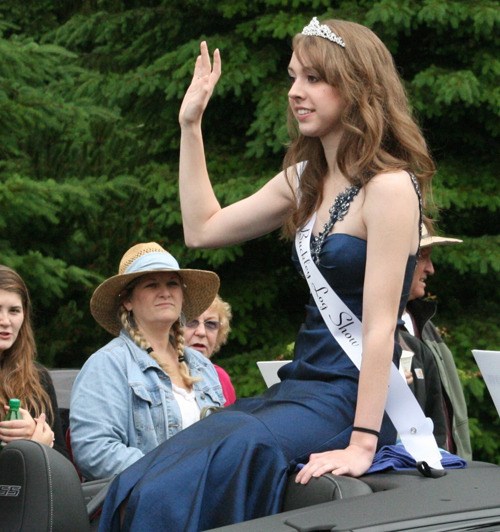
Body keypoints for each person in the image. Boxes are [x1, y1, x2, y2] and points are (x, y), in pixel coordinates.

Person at [100, 17, 436, 530]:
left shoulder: (390, 188)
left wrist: (363, 443)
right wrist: (190, 127)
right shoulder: (304, 180)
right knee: (169, 462)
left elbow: (378, 326)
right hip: (302, 384)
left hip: (352, 399)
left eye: (313, 79)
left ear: (358, 87)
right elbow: (202, 228)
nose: (296, 93)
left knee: (234, 448)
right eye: (293, 77)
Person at [69, 242, 225, 480]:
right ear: (127, 301)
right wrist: (172, 474)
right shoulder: (108, 364)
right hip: (146, 505)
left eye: (172, 283)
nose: (165, 292)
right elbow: (95, 450)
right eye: (152, 284)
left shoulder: (203, 366)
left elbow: (225, 439)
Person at [400, 223, 472, 460]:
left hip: (447, 475)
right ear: (397, 258)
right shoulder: (359, 329)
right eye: (423, 257)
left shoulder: (426, 326)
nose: (430, 269)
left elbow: (447, 418)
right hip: (404, 477)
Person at [0, 265, 67, 457]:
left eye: (14, 311)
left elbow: (65, 464)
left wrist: (41, 443)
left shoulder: (38, 378)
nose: (5, 320)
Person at [184, 294, 237, 405]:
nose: (202, 332)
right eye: (191, 322)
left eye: (211, 324)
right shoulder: (153, 376)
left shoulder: (220, 377)